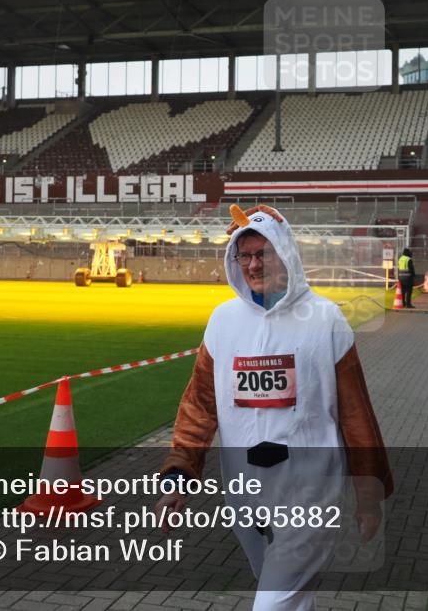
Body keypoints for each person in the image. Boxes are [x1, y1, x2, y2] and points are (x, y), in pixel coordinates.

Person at [156, 204, 393, 611]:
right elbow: (199, 406)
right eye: (243, 256)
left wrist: (369, 495)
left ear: (285, 254)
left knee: (272, 604)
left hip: (310, 493)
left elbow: (357, 417)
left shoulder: (326, 320)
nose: (252, 264)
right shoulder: (223, 321)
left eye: (262, 253)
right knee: (284, 593)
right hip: (244, 493)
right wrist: (178, 475)